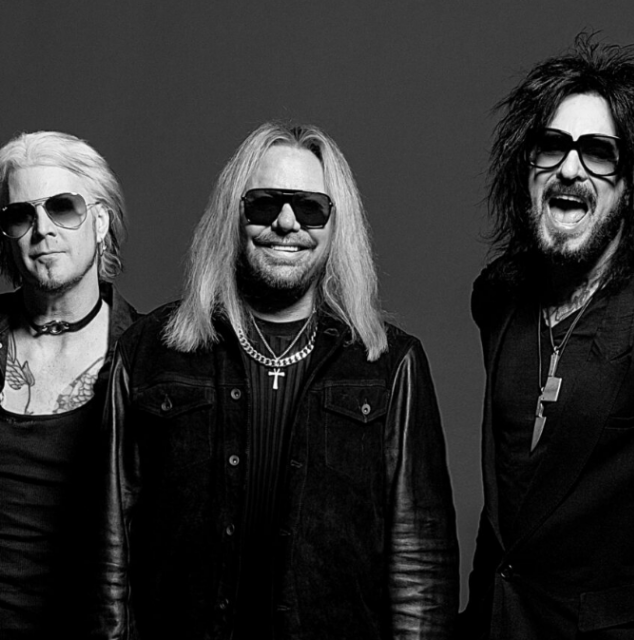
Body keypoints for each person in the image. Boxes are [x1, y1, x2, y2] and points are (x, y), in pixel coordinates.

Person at [98, 122, 458, 639]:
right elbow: (109, 545)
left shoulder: (390, 364)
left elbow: (419, 567)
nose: (286, 222)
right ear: (234, 214)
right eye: (265, 203)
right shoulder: (149, 350)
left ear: (337, 225)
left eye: (310, 208)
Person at [460, 34, 634, 638]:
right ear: (526, 171)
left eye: (598, 152)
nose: (570, 167)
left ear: (630, 185)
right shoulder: (500, 299)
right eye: (551, 146)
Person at [0, 131, 138, 639]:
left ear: (100, 221)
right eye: (20, 216)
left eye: (63, 207)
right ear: (3, 237)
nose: (43, 230)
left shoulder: (149, 362)